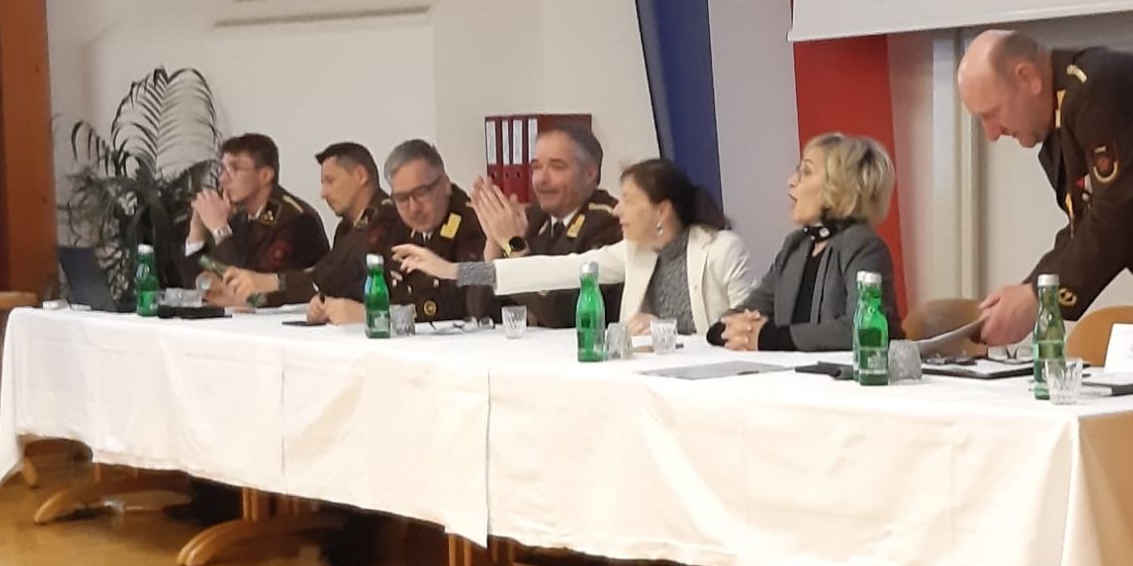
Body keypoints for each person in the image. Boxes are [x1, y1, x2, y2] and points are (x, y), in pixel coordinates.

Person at [958, 30, 1133, 345]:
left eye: (991, 113)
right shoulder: (1060, 125)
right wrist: (1028, 292)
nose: (991, 134)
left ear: (1027, 77)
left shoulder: (1099, 88)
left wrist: (1038, 296)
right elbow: (1083, 228)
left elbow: (1116, 215)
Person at [393, 158, 753, 336]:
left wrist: (665, 331)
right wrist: (452, 270)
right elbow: (551, 271)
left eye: (628, 200)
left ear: (662, 210)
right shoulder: (635, 252)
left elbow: (747, 330)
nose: (617, 210)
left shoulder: (722, 251)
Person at [710, 132, 901, 351]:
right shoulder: (796, 245)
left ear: (841, 186)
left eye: (806, 172)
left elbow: (865, 329)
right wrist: (726, 330)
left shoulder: (862, 244)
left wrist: (768, 338)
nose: (792, 181)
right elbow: (744, 312)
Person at [465, 121, 623, 326]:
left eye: (557, 167)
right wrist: (493, 246)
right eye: (536, 167)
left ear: (589, 174)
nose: (541, 179)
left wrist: (512, 244)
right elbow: (480, 312)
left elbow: (562, 314)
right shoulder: (533, 218)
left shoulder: (608, 222)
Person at [221, 142, 395, 308]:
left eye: (330, 181)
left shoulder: (387, 219)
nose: (323, 193)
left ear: (360, 176)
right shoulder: (347, 227)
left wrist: (270, 283)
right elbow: (326, 278)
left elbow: (334, 278)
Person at [180, 133, 328, 295]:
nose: (222, 179)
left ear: (265, 176)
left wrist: (220, 229)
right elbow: (196, 286)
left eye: (235, 169)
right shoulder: (239, 218)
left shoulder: (295, 219)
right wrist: (197, 230)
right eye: (222, 169)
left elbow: (250, 287)